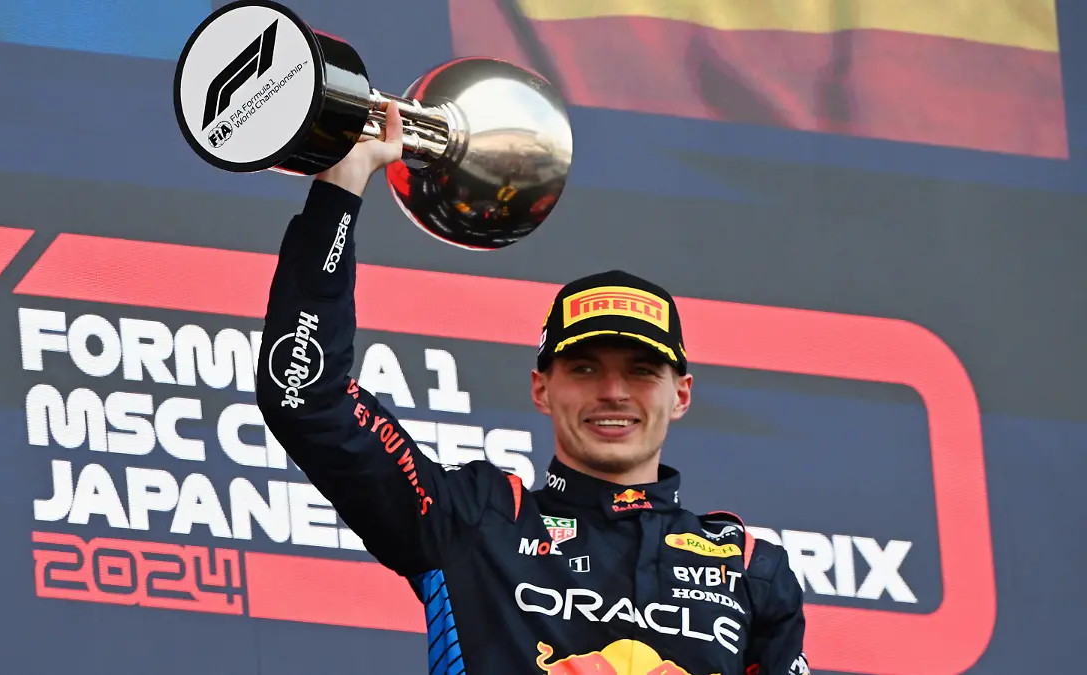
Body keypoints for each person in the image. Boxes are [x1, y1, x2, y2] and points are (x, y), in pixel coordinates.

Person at [256, 102, 809, 675]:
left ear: (681, 394)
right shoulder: (477, 520)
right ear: (542, 388)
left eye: (642, 371)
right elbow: (306, 396)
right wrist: (341, 187)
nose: (614, 392)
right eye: (585, 368)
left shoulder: (747, 569)